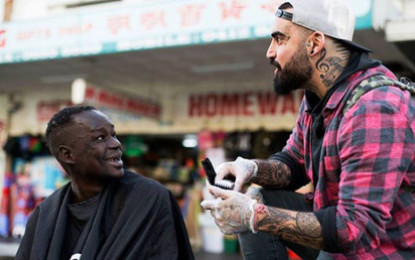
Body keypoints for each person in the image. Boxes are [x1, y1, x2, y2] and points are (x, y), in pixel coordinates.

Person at [201, 0, 415, 259]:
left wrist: (253, 216)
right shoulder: (317, 98)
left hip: (382, 251)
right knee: (259, 198)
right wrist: (251, 169)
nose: (270, 52)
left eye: (280, 39)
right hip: (339, 243)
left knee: (256, 211)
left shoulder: (376, 107)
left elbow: (354, 229)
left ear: (314, 43)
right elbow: (294, 162)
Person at [15, 106, 194, 260]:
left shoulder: (148, 199)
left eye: (114, 135)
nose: (116, 144)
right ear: (68, 155)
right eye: (100, 138)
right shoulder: (44, 216)